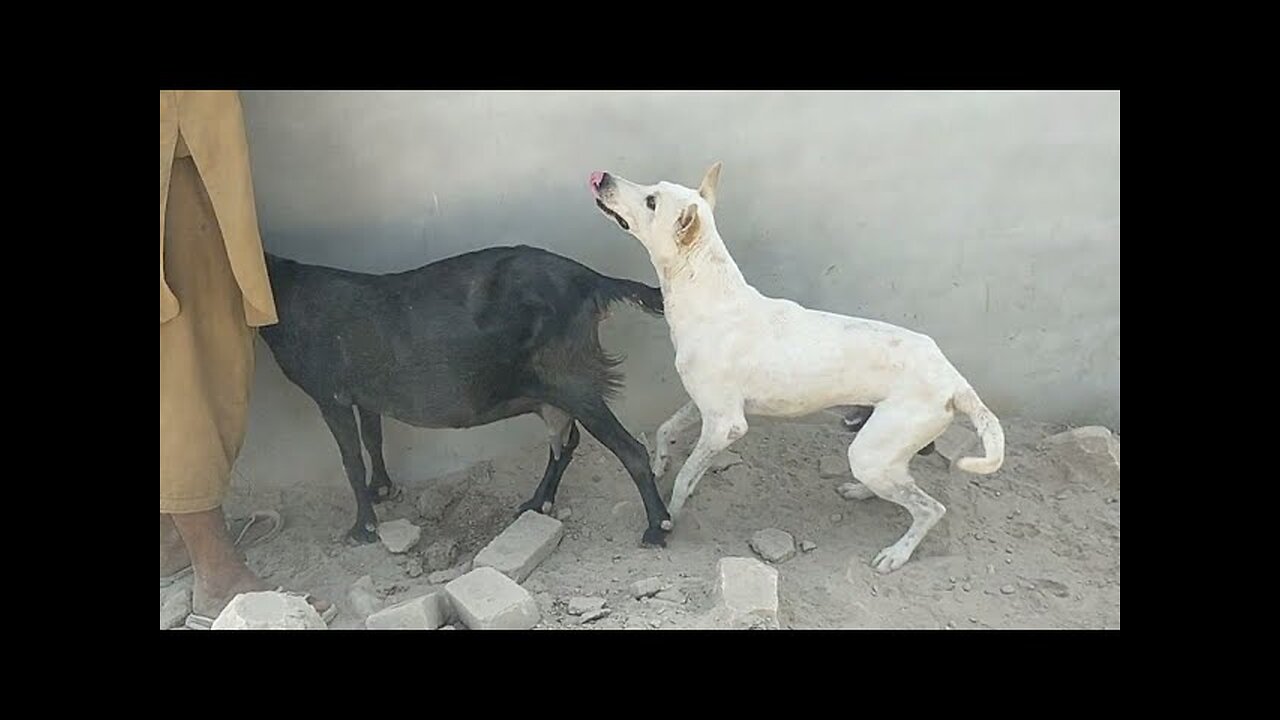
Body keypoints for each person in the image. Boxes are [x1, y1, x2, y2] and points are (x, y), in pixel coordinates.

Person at [160, 90, 333, 628]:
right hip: (174, 149)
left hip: (182, 136)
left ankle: (171, 538)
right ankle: (217, 575)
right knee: (189, 357)